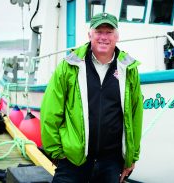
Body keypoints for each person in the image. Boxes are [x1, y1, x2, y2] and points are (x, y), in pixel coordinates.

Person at [40, 12, 143, 183]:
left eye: (109, 32)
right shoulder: (69, 66)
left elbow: (135, 115)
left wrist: (131, 156)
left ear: (117, 36)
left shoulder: (129, 69)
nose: (103, 37)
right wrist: (57, 152)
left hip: (111, 161)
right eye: (98, 31)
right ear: (90, 35)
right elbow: (50, 112)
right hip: (73, 159)